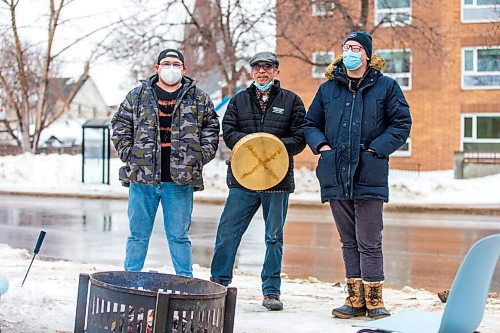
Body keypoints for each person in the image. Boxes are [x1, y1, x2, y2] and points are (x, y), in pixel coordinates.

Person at [304, 31, 412, 319]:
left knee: (369, 239)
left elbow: (401, 124)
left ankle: (374, 300)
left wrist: (376, 150)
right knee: (348, 240)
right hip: (335, 172)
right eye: (345, 47)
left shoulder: (386, 87)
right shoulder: (328, 89)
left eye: (355, 47)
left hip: (369, 172)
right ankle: (354, 299)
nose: (349, 51)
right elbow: (310, 123)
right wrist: (323, 147)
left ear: (366, 54)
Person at [210, 51, 306, 311]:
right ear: (251, 72)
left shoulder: (292, 101)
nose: (262, 71)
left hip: (277, 181)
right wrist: (253, 145)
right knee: (228, 233)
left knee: (273, 237)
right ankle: (218, 284)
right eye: (257, 67)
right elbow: (228, 132)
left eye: (268, 67)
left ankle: (271, 291)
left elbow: (299, 137)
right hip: (244, 180)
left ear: (276, 71)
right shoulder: (239, 101)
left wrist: (270, 145)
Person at [111, 48, 220, 277]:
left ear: (184, 69)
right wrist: (129, 154)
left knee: (179, 236)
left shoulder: (198, 98)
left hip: (179, 180)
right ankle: (130, 281)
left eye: (176, 64)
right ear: (157, 68)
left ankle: (185, 282)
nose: (171, 68)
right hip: (143, 178)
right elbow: (120, 125)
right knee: (138, 235)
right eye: (166, 63)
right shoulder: (138, 96)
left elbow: (211, 127)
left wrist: (200, 157)